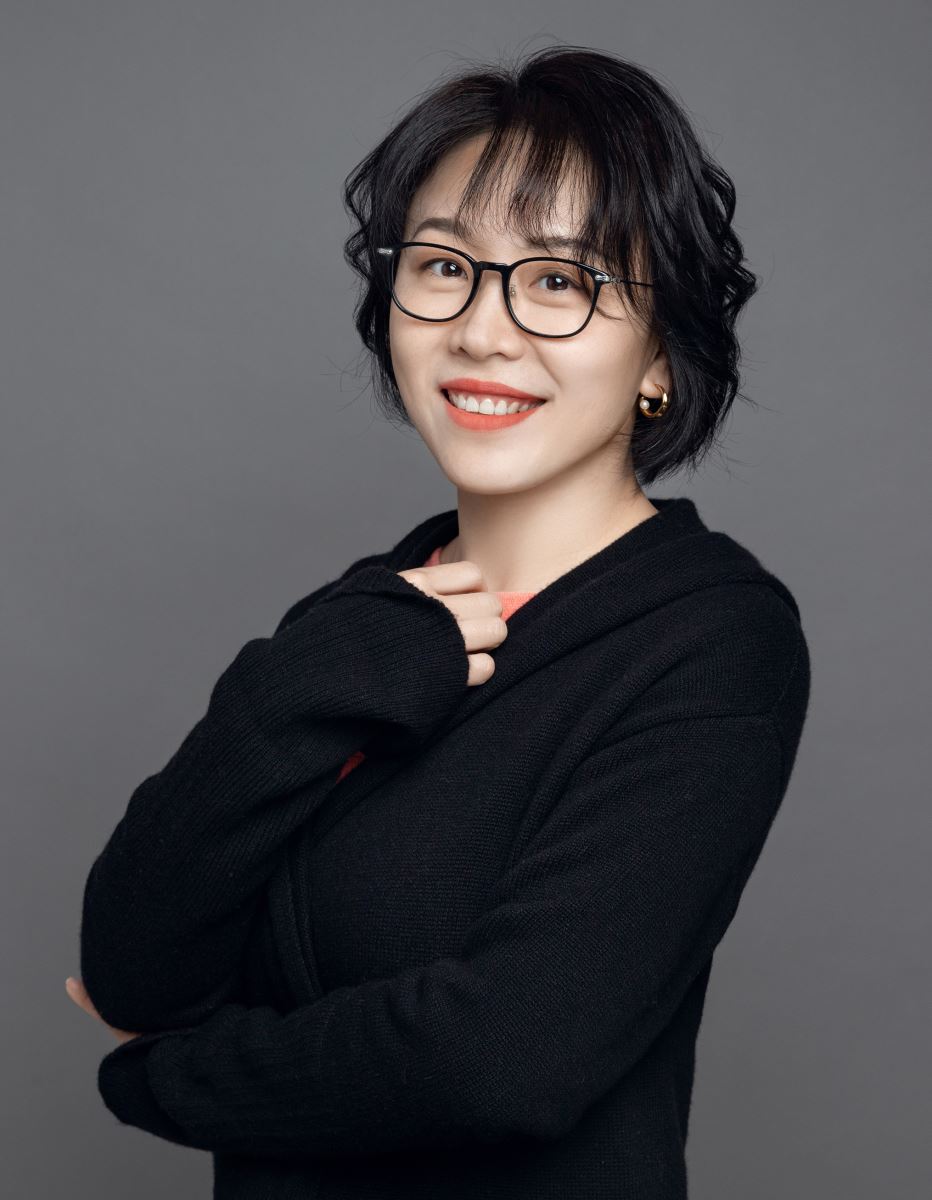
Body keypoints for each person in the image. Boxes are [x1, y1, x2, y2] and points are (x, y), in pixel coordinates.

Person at [73, 43, 811, 1199]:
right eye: (442, 266)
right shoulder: (356, 621)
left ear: (660, 356)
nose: (481, 329)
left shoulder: (710, 643)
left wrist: (163, 1083)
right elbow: (131, 965)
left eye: (558, 281)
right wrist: (299, 682)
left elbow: (503, 1057)